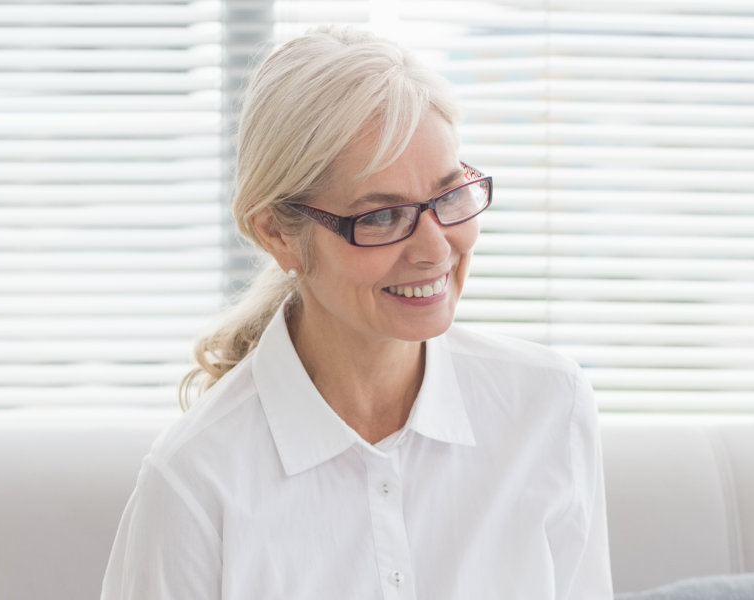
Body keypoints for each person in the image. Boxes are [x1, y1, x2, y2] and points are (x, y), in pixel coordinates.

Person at [100, 25, 610, 599]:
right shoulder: (197, 479)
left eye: (448, 197)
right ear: (278, 235)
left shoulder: (548, 407)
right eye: (382, 216)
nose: (436, 249)